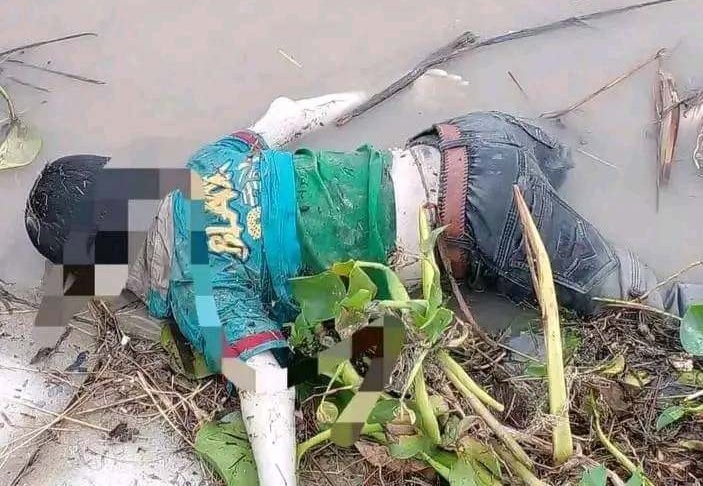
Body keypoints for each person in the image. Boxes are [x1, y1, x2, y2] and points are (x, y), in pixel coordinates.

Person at [24, 91, 692, 485]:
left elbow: (266, 385)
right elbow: (290, 114)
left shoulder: (201, 289)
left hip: (482, 220)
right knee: (585, 162)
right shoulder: (205, 164)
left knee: (656, 313)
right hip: (471, 137)